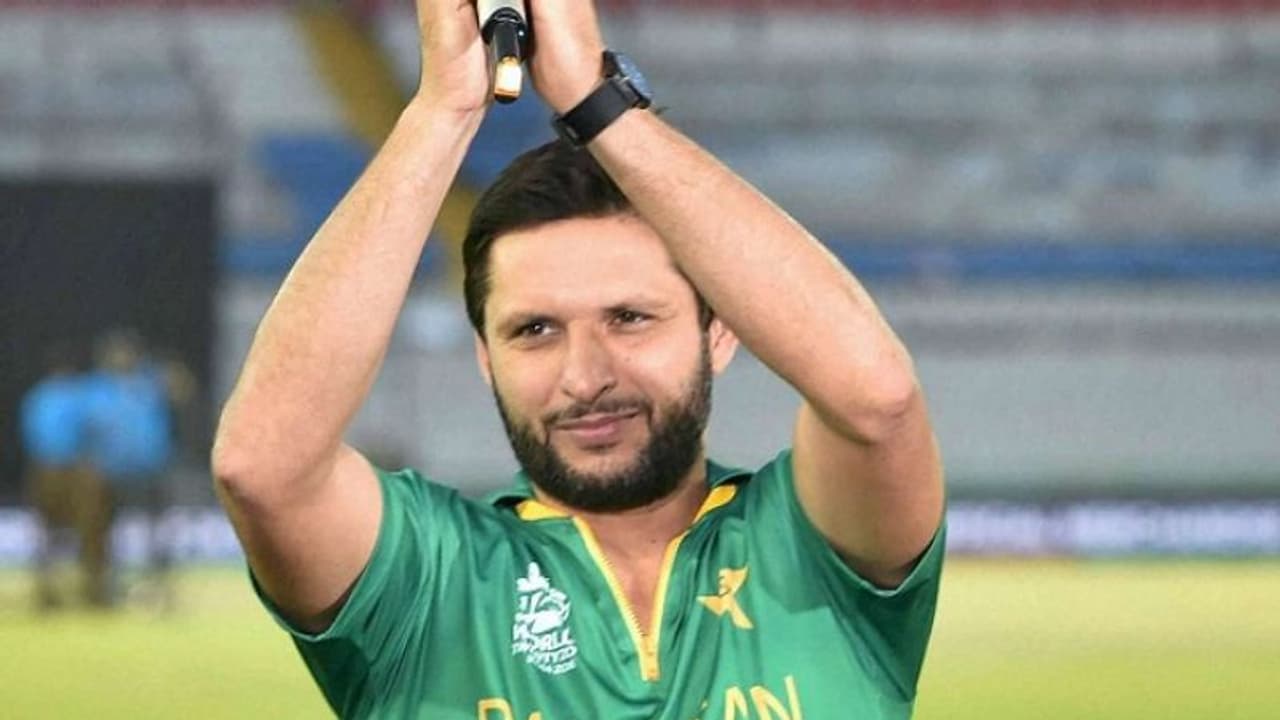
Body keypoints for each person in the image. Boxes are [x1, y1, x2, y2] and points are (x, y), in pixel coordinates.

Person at [213, 1, 945, 718]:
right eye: (534, 330)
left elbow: (876, 401)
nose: (585, 377)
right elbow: (264, 468)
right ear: (486, 358)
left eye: (629, 319)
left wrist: (601, 107)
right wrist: (442, 111)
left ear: (718, 333)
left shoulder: (816, 547)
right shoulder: (424, 583)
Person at [83, 329, 194, 608]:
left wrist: (171, 371)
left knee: (157, 531)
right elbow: (84, 429)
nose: (122, 358)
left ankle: (160, 583)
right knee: (106, 532)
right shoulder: (96, 388)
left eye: (126, 352)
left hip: (151, 468)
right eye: (116, 353)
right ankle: (108, 586)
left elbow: (183, 390)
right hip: (111, 472)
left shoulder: (149, 381)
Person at [20, 344, 112, 609]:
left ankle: (66, 589)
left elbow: (32, 435)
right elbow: (95, 431)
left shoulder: (38, 396)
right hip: (68, 470)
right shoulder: (79, 396)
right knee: (82, 531)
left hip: (51, 468)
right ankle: (79, 589)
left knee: (61, 532)